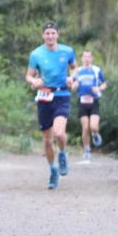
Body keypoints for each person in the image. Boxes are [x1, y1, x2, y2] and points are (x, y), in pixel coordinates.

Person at [25, 22, 77, 189]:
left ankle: (62, 154)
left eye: (53, 33)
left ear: (57, 35)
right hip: (44, 97)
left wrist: (72, 78)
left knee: (59, 132)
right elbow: (29, 76)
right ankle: (53, 170)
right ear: (43, 36)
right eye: (47, 33)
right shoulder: (36, 54)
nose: (50, 36)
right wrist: (35, 81)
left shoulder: (67, 51)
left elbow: (74, 68)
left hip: (62, 95)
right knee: (47, 141)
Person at [72, 50, 107, 162]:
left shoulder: (96, 70)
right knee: (85, 127)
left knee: (93, 126)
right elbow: (72, 86)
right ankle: (87, 150)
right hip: (82, 101)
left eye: (89, 57)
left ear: (91, 58)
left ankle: (95, 134)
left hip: (94, 101)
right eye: (85, 57)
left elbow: (104, 83)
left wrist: (99, 88)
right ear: (82, 59)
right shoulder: (78, 71)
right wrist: (75, 85)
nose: (87, 59)